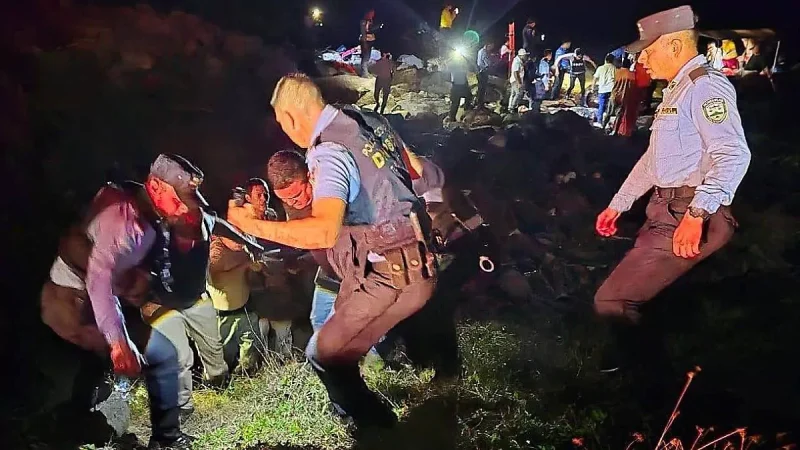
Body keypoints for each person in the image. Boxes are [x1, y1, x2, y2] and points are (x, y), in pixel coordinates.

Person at [228, 73, 443, 428]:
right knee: (342, 344)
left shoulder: (328, 152)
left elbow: (324, 232)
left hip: (388, 275)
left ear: (291, 117)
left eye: (283, 124)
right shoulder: (367, 121)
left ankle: (380, 430)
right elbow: (424, 174)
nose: (287, 133)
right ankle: (361, 415)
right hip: (418, 263)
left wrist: (247, 225)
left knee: (323, 353)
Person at [40, 154, 261, 449]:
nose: (185, 208)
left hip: (107, 303)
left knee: (146, 358)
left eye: (189, 197)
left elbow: (212, 221)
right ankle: (63, 431)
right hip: (73, 303)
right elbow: (99, 279)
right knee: (84, 375)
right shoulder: (124, 222)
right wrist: (118, 341)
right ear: (156, 187)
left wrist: (249, 242)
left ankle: (155, 434)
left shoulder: (159, 211)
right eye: (179, 198)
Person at [594, 5, 751, 374]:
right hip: (666, 206)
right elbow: (654, 160)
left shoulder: (705, 87)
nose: (642, 58)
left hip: (686, 209)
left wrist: (697, 215)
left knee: (611, 300)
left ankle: (644, 381)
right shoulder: (678, 89)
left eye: (649, 50)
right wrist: (618, 204)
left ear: (675, 47)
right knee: (636, 296)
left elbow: (733, 154)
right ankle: (646, 370)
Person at [593, 54, 617, 126]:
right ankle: (607, 121)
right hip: (611, 89)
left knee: (601, 106)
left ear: (605, 60)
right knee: (610, 106)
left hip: (602, 90)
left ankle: (599, 122)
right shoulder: (614, 68)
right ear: (613, 61)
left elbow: (595, 78)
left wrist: (592, 87)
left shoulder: (600, 68)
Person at [448, 56, 472, 121]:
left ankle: (466, 113)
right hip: (456, 85)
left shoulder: (462, 66)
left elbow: (466, 73)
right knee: (455, 103)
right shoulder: (453, 65)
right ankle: (452, 118)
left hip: (462, 85)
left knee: (469, 98)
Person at [476, 42, 496, 107]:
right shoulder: (483, 52)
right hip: (482, 72)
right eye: (491, 47)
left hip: (481, 72)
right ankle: (480, 103)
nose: (491, 49)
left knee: (481, 89)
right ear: (488, 45)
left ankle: (480, 102)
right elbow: (484, 63)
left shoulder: (481, 51)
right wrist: (490, 65)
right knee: (482, 88)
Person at [359, 10, 376, 77]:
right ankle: (364, 73)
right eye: (371, 14)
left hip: (369, 41)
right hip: (365, 41)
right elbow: (363, 33)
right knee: (365, 57)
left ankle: (365, 71)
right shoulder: (363, 22)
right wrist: (364, 43)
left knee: (367, 57)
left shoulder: (370, 21)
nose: (372, 15)